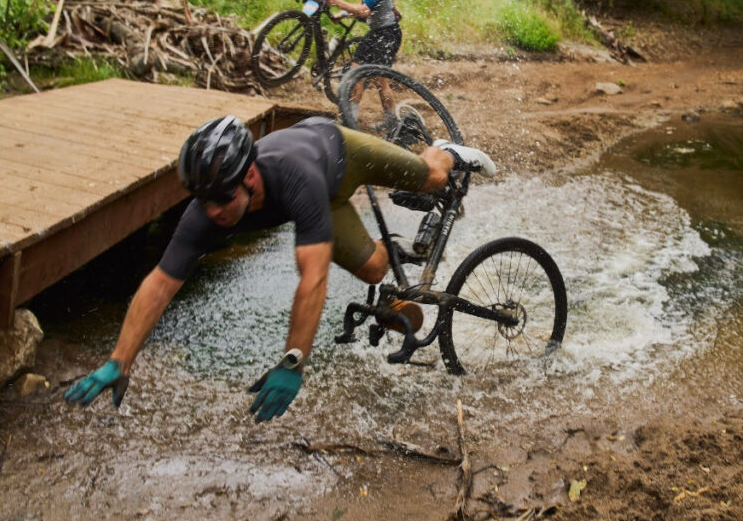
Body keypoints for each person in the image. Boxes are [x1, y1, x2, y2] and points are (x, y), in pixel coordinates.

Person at [64, 114, 495, 423]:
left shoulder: (294, 177)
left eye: (221, 199)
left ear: (249, 177)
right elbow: (160, 284)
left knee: (432, 179)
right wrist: (119, 361)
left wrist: (292, 362)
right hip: (320, 203)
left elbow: (313, 277)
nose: (212, 211)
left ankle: (443, 151)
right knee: (374, 269)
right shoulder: (207, 209)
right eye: (204, 200)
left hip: (339, 152)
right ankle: (397, 246)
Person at [324, 0, 402, 131]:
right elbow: (363, 10)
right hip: (376, 33)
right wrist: (341, 15)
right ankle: (350, 121)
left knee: (380, 81)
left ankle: (392, 121)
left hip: (387, 34)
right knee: (355, 73)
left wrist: (336, 2)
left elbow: (363, 10)